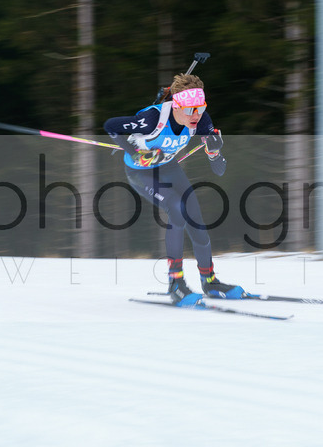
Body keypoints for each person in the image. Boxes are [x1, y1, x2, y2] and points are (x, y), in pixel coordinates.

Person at [103, 73, 245, 305]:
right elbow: (111, 126)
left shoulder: (202, 121)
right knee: (176, 209)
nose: (196, 115)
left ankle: (209, 281)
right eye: (190, 109)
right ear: (175, 106)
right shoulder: (152, 119)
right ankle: (175, 284)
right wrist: (136, 153)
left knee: (196, 218)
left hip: (168, 167)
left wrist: (214, 152)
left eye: (200, 108)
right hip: (141, 173)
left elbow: (219, 170)